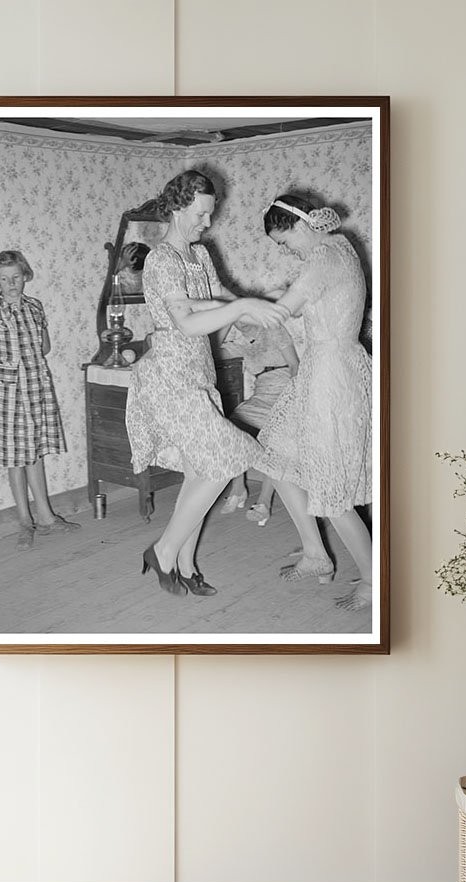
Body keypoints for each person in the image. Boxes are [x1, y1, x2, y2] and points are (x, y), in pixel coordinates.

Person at [126, 170, 288, 596]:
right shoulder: (161, 259)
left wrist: (276, 310)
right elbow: (186, 320)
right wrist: (243, 309)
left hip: (199, 375)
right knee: (225, 461)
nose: (207, 223)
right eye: (201, 214)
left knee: (202, 470)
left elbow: (221, 300)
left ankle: (184, 561)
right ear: (179, 207)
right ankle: (162, 552)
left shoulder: (198, 255)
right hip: (170, 377)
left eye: (210, 214)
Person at [257, 195, 373, 613]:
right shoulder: (340, 248)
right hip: (324, 368)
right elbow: (310, 297)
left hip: (331, 377)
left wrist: (229, 304)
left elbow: (283, 311)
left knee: (332, 487)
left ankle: (373, 578)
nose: (286, 250)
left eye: (284, 241)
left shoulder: (323, 256)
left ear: (299, 225)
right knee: (274, 456)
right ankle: (315, 554)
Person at [0, 249, 80, 551]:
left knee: (35, 452)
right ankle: (26, 521)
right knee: (16, 457)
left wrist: (35, 349)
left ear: (25, 276)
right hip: (8, 393)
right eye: (4, 279)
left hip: (37, 386)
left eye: (16, 277)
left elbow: (45, 347)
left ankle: (47, 518)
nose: (11, 284)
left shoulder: (35, 307)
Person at [219, 322, 298, 527]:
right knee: (232, 428)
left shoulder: (274, 330)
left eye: (244, 317)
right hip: (260, 397)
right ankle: (239, 487)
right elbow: (210, 352)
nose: (241, 323)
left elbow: (295, 365)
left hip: (285, 393)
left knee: (275, 437)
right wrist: (225, 322)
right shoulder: (242, 343)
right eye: (237, 319)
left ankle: (264, 501)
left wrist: (296, 401)